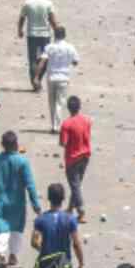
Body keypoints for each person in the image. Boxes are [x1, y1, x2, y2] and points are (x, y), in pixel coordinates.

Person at [0, 131, 41, 268]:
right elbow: (30, 184)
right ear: (16, 144)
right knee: (16, 230)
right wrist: (36, 205)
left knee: (0, 228)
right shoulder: (22, 162)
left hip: (1, 202)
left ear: (2, 145)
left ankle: (1, 254)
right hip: (18, 203)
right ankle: (13, 255)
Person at [37, 25, 80, 133]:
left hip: (51, 77)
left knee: (52, 102)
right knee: (60, 103)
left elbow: (42, 62)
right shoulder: (70, 47)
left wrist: (37, 77)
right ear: (64, 35)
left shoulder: (49, 47)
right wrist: (67, 61)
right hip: (63, 78)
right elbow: (75, 62)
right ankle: (57, 126)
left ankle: (53, 125)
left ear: (54, 35)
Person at [17, 0, 58, 85]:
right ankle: (38, 78)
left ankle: (34, 81)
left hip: (32, 34)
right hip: (45, 35)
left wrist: (20, 30)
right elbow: (52, 19)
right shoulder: (48, 3)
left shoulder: (27, 3)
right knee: (45, 58)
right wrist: (57, 32)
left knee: (32, 59)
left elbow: (22, 18)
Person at [59, 94, 91, 222]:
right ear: (79, 107)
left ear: (68, 108)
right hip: (85, 155)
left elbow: (63, 143)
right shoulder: (87, 120)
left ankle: (81, 211)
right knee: (76, 184)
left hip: (72, 158)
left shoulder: (67, 124)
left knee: (75, 185)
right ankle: (70, 208)